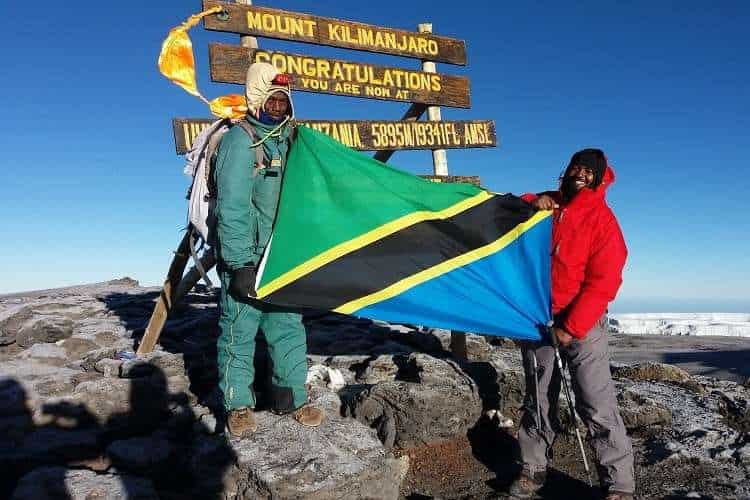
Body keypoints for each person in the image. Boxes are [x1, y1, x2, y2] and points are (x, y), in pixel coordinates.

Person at [508, 148, 633, 499]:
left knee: (596, 401)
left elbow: (603, 284)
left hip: (583, 324)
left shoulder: (603, 222)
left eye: (588, 171)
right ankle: (533, 468)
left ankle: (620, 485)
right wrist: (534, 201)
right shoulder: (550, 205)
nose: (581, 174)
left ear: (598, 178)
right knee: (538, 396)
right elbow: (512, 206)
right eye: (576, 168)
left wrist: (570, 327)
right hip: (538, 317)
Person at [213, 62, 324, 437]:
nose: (279, 105)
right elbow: (231, 206)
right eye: (272, 98)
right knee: (239, 331)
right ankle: (238, 406)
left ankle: (290, 398)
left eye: (284, 99)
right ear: (256, 98)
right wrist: (240, 262)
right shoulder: (239, 142)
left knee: (287, 328)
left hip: (280, 256)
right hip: (246, 257)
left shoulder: (288, 140)